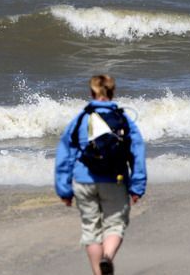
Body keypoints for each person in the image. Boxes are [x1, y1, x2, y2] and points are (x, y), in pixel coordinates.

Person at [55, 75, 147, 275]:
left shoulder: (81, 118)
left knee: (91, 231)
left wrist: (63, 188)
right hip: (115, 180)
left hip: (83, 180)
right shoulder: (123, 120)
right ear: (113, 92)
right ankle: (108, 257)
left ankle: (99, 272)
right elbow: (137, 152)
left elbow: (65, 153)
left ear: (91, 92)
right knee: (115, 225)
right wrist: (137, 186)